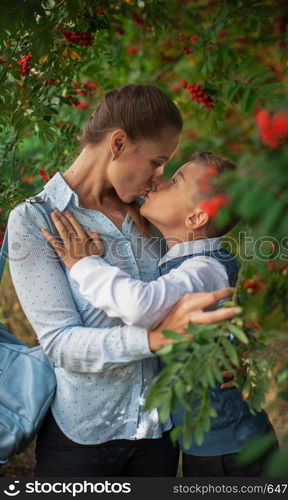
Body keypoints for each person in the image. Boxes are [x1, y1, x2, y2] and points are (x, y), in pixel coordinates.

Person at [7, 84, 239, 477]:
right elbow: (60, 342)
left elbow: (195, 277)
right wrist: (151, 339)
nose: (159, 176)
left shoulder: (151, 214)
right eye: (157, 161)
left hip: (158, 432)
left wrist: (220, 346)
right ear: (118, 143)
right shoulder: (36, 221)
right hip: (82, 435)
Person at [42, 151, 279, 477]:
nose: (157, 183)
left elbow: (141, 306)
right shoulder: (180, 257)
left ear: (197, 217)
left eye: (173, 182)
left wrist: (84, 264)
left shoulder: (204, 268)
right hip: (212, 443)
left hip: (231, 448)